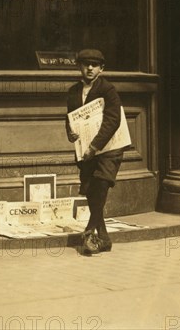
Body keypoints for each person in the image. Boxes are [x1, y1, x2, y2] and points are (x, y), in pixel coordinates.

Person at [65, 49, 124, 255]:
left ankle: (89, 233)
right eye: (85, 64)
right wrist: (70, 133)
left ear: (101, 68)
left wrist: (95, 146)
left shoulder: (108, 90)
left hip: (108, 149)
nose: (90, 68)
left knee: (100, 186)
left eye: (94, 65)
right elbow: (70, 118)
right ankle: (105, 238)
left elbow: (113, 120)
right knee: (91, 191)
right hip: (86, 152)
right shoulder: (73, 91)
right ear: (79, 66)